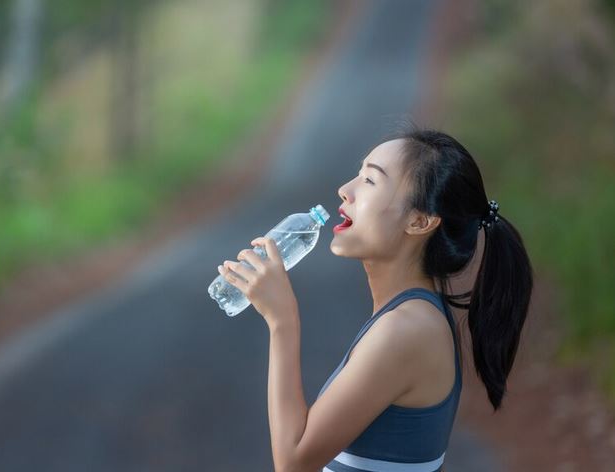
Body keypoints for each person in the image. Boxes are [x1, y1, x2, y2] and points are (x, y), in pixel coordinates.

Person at [217, 125, 533, 472]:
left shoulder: (407, 330)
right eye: (358, 174)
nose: (344, 190)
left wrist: (282, 321)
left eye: (370, 181)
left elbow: (294, 462)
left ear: (419, 220)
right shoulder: (409, 318)